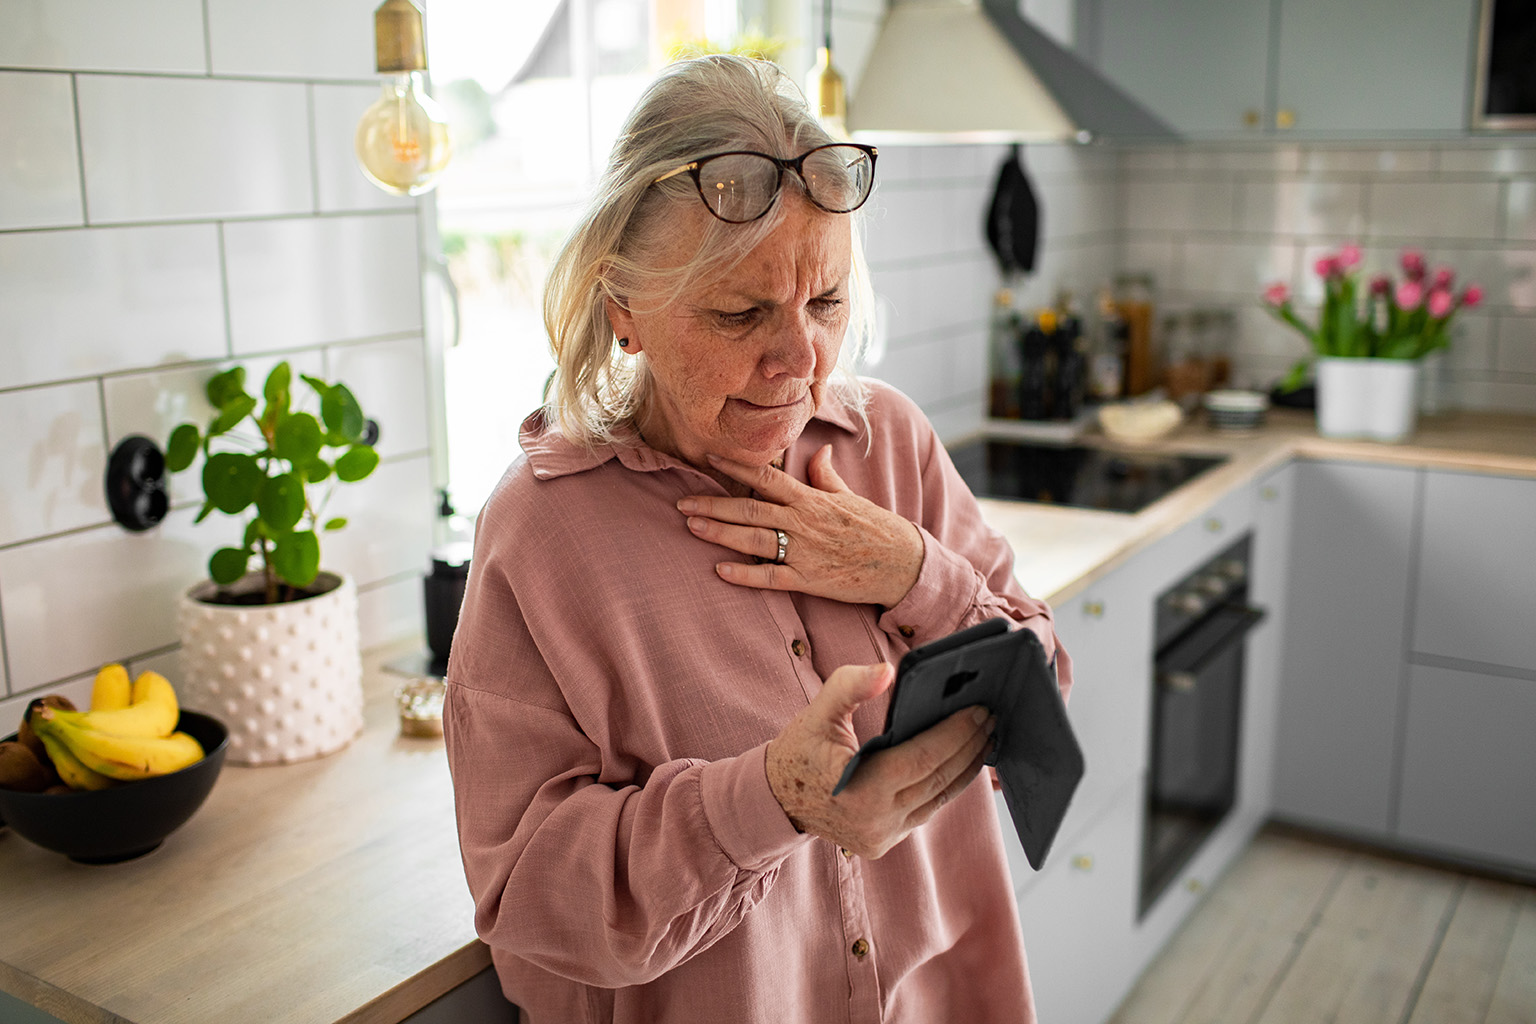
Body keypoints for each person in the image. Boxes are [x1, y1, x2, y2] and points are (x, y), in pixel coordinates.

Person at [443, 53, 1073, 1023]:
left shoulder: (888, 442)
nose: (800, 360)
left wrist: (912, 571)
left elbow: (1046, 684)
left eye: (825, 303)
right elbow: (528, 897)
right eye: (739, 313)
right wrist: (766, 799)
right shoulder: (544, 529)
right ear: (623, 308)